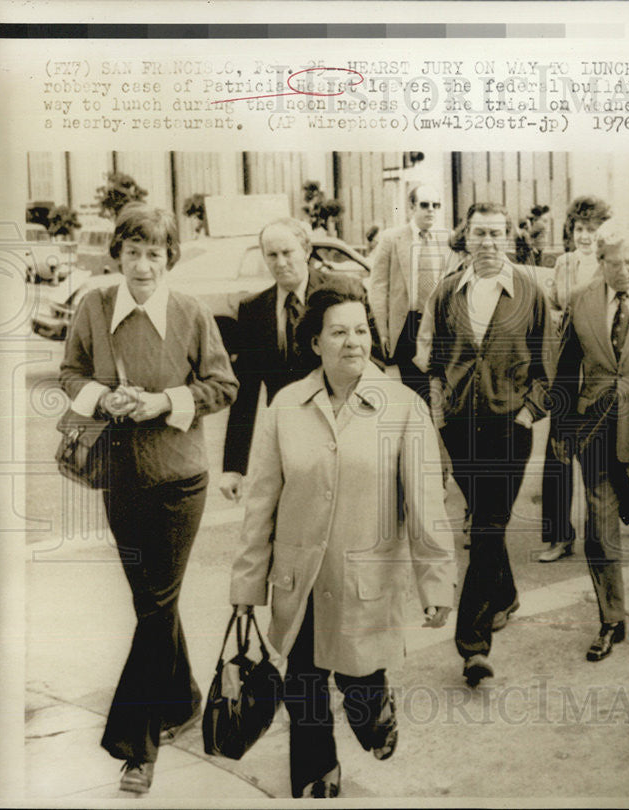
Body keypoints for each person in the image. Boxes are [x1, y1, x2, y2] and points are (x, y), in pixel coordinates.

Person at [230, 277, 456, 799]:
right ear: (316, 343)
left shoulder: (402, 408)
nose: (352, 341)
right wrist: (246, 590)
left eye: (360, 330)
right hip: (300, 578)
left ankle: (374, 713)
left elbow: (426, 508)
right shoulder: (286, 406)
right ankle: (317, 773)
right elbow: (260, 505)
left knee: (358, 678)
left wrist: (437, 585)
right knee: (303, 683)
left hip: (366, 581)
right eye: (338, 332)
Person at [59, 204, 238, 794]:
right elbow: (71, 373)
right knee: (152, 605)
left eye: (154, 253)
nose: (142, 264)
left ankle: (138, 745)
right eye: (132, 252)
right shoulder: (94, 306)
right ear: (117, 256)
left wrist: (164, 404)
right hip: (120, 477)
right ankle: (183, 696)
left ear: (169, 259)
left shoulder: (189, 313)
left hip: (180, 480)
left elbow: (223, 385)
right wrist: (101, 399)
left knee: (157, 604)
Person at [427, 201, 551, 686]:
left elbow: (548, 366)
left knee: (486, 528)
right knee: (487, 525)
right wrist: (439, 418)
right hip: (460, 429)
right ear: (465, 237)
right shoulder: (446, 292)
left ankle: (473, 646)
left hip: (508, 429)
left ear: (509, 238)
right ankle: (505, 595)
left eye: (497, 233)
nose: (488, 242)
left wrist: (528, 414)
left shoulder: (529, 292)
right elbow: (435, 364)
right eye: (479, 233)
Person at [550, 219, 629, 660]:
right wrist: (562, 429)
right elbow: (565, 370)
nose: (624, 270)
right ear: (599, 262)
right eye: (613, 262)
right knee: (600, 531)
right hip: (596, 427)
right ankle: (611, 620)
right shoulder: (581, 300)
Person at [220, 217, 383, 502]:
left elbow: (374, 361)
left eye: (287, 252)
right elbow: (245, 390)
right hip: (288, 436)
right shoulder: (254, 309)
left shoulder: (341, 292)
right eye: (272, 255)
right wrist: (233, 467)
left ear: (305, 251)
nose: (280, 262)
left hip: (340, 429)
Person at [539, 195, 612, 563]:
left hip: (597, 367)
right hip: (566, 367)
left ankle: (601, 535)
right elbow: (553, 303)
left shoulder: (607, 264)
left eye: (592, 229)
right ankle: (558, 535)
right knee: (558, 452)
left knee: (597, 453)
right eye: (580, 229)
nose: (585, 236)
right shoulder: (563, 263)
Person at [369, 183, 451, 403]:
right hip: (409, 326)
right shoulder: (392, 238)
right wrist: (384, 331)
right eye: (424, 205)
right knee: (415, 395)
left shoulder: (447, 240)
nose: (431, 210)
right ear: (411, 207)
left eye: (436, 205)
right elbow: (378, 287)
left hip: (439, 326)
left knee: (443, 392)